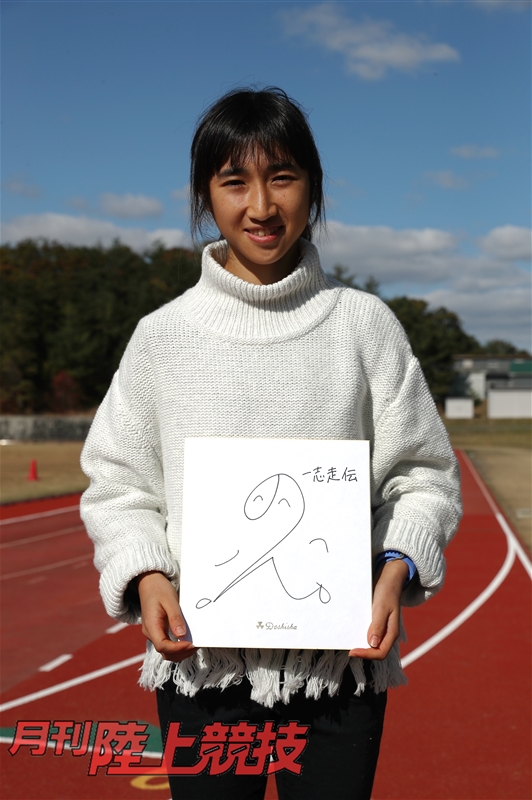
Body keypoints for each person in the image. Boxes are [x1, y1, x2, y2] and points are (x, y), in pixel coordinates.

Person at [81, 86, 462, 800]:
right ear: (205, 195)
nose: (260, 206)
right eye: (234, 182)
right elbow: (118, 483)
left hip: (338, 670)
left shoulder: (363, 325)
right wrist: (147, 575)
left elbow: (422, 475)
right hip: (201, 667)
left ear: (312, 190)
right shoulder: (162, 337)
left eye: (281, 177)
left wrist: (391, 570)